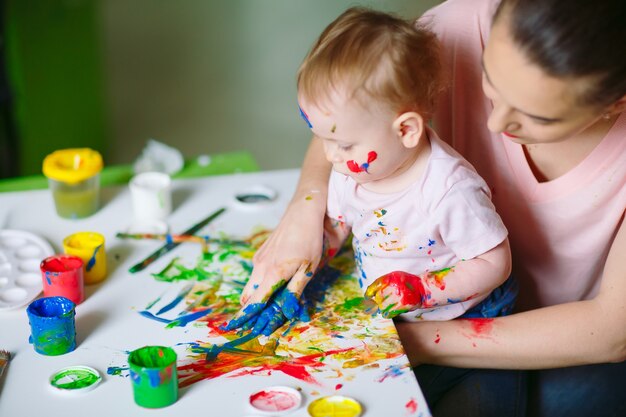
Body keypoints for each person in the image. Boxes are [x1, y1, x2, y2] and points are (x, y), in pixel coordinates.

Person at [237, 0, 626, 415]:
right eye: (489, 80)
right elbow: (351, 111)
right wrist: (308, 210)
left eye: (537, 117)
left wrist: (412, 332)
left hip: (502, 319)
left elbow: (611, 331)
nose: (494, 125)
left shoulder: (451, 187)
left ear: (615, 103)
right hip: (409, 314)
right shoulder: (459, 30)